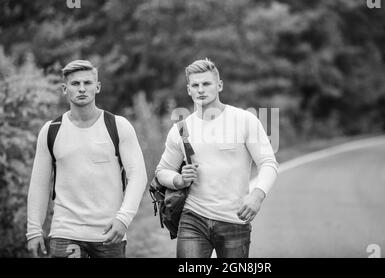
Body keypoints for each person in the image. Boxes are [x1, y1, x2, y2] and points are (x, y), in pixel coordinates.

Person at [155, 58, 278, 258]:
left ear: (219, 85)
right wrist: (178, 179)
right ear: (189, 90)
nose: (201, 89)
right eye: (195, 85)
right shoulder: (181, 129)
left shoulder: (244, 120)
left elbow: (268, 163)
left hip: (234, 219)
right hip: (193, 218)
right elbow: (162, 172)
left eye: (206, 83)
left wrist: (257, 196)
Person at [26, 60, 147, 258]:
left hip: (109, 233)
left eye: (87, 83)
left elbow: (138, 176)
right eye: (75, 84)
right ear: (65, 89)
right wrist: (33, 230)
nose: (82, 88)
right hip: (65, 232)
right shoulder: (51, 131)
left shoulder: (118, 126)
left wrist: (123, 219)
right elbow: (39, 185)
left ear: (97, 87)